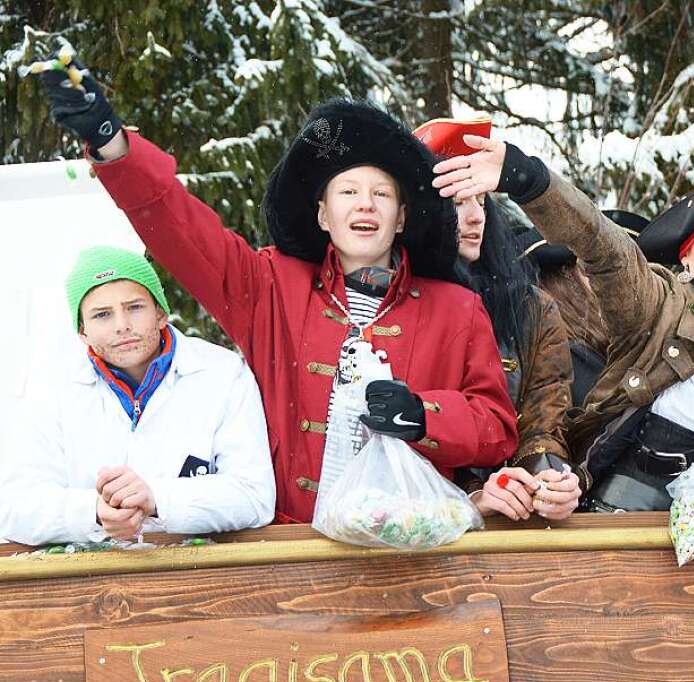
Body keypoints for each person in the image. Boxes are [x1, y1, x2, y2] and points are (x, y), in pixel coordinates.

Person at [30, 52, 518, 524]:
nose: (365, 206)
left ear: (402, 216)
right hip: (287, 556)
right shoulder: (268, 286)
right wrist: (112, 144)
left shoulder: (457, 308)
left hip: (413, 551)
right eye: (348, 192)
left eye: (382, 194)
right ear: (324, 214)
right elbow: (180, 230)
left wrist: (424, 415)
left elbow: (496, 429)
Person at [433, 137, 694, 511]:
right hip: (627, 532)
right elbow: (603, 246)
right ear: (687, 255)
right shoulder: (659, 306)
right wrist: (527, 177)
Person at [0, 246, 275, 545]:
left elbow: (254, 496)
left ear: (160, 313)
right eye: (102, 315)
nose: (122, 325)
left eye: (134, 307)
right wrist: (93, 512)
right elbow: (14, 508)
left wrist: (157, 499)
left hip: (199, 578)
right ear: (82, 331)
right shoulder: (50, 389)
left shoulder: (222, 374)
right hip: (89, 583)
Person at [415, 117, 580, 520]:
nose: (475, 217)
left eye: (482, 201)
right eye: (457, 204)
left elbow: (543, 424)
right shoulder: (394, 303)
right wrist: (470, 496)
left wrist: (549, 479)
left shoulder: (531, 309)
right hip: (413, 513)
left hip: (504, 517)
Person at [518, 209, 650, 409]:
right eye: (596, 268)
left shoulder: (627, 340)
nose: (614, 278)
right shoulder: (566, 353)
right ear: (566, 276)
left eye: (625, 268)